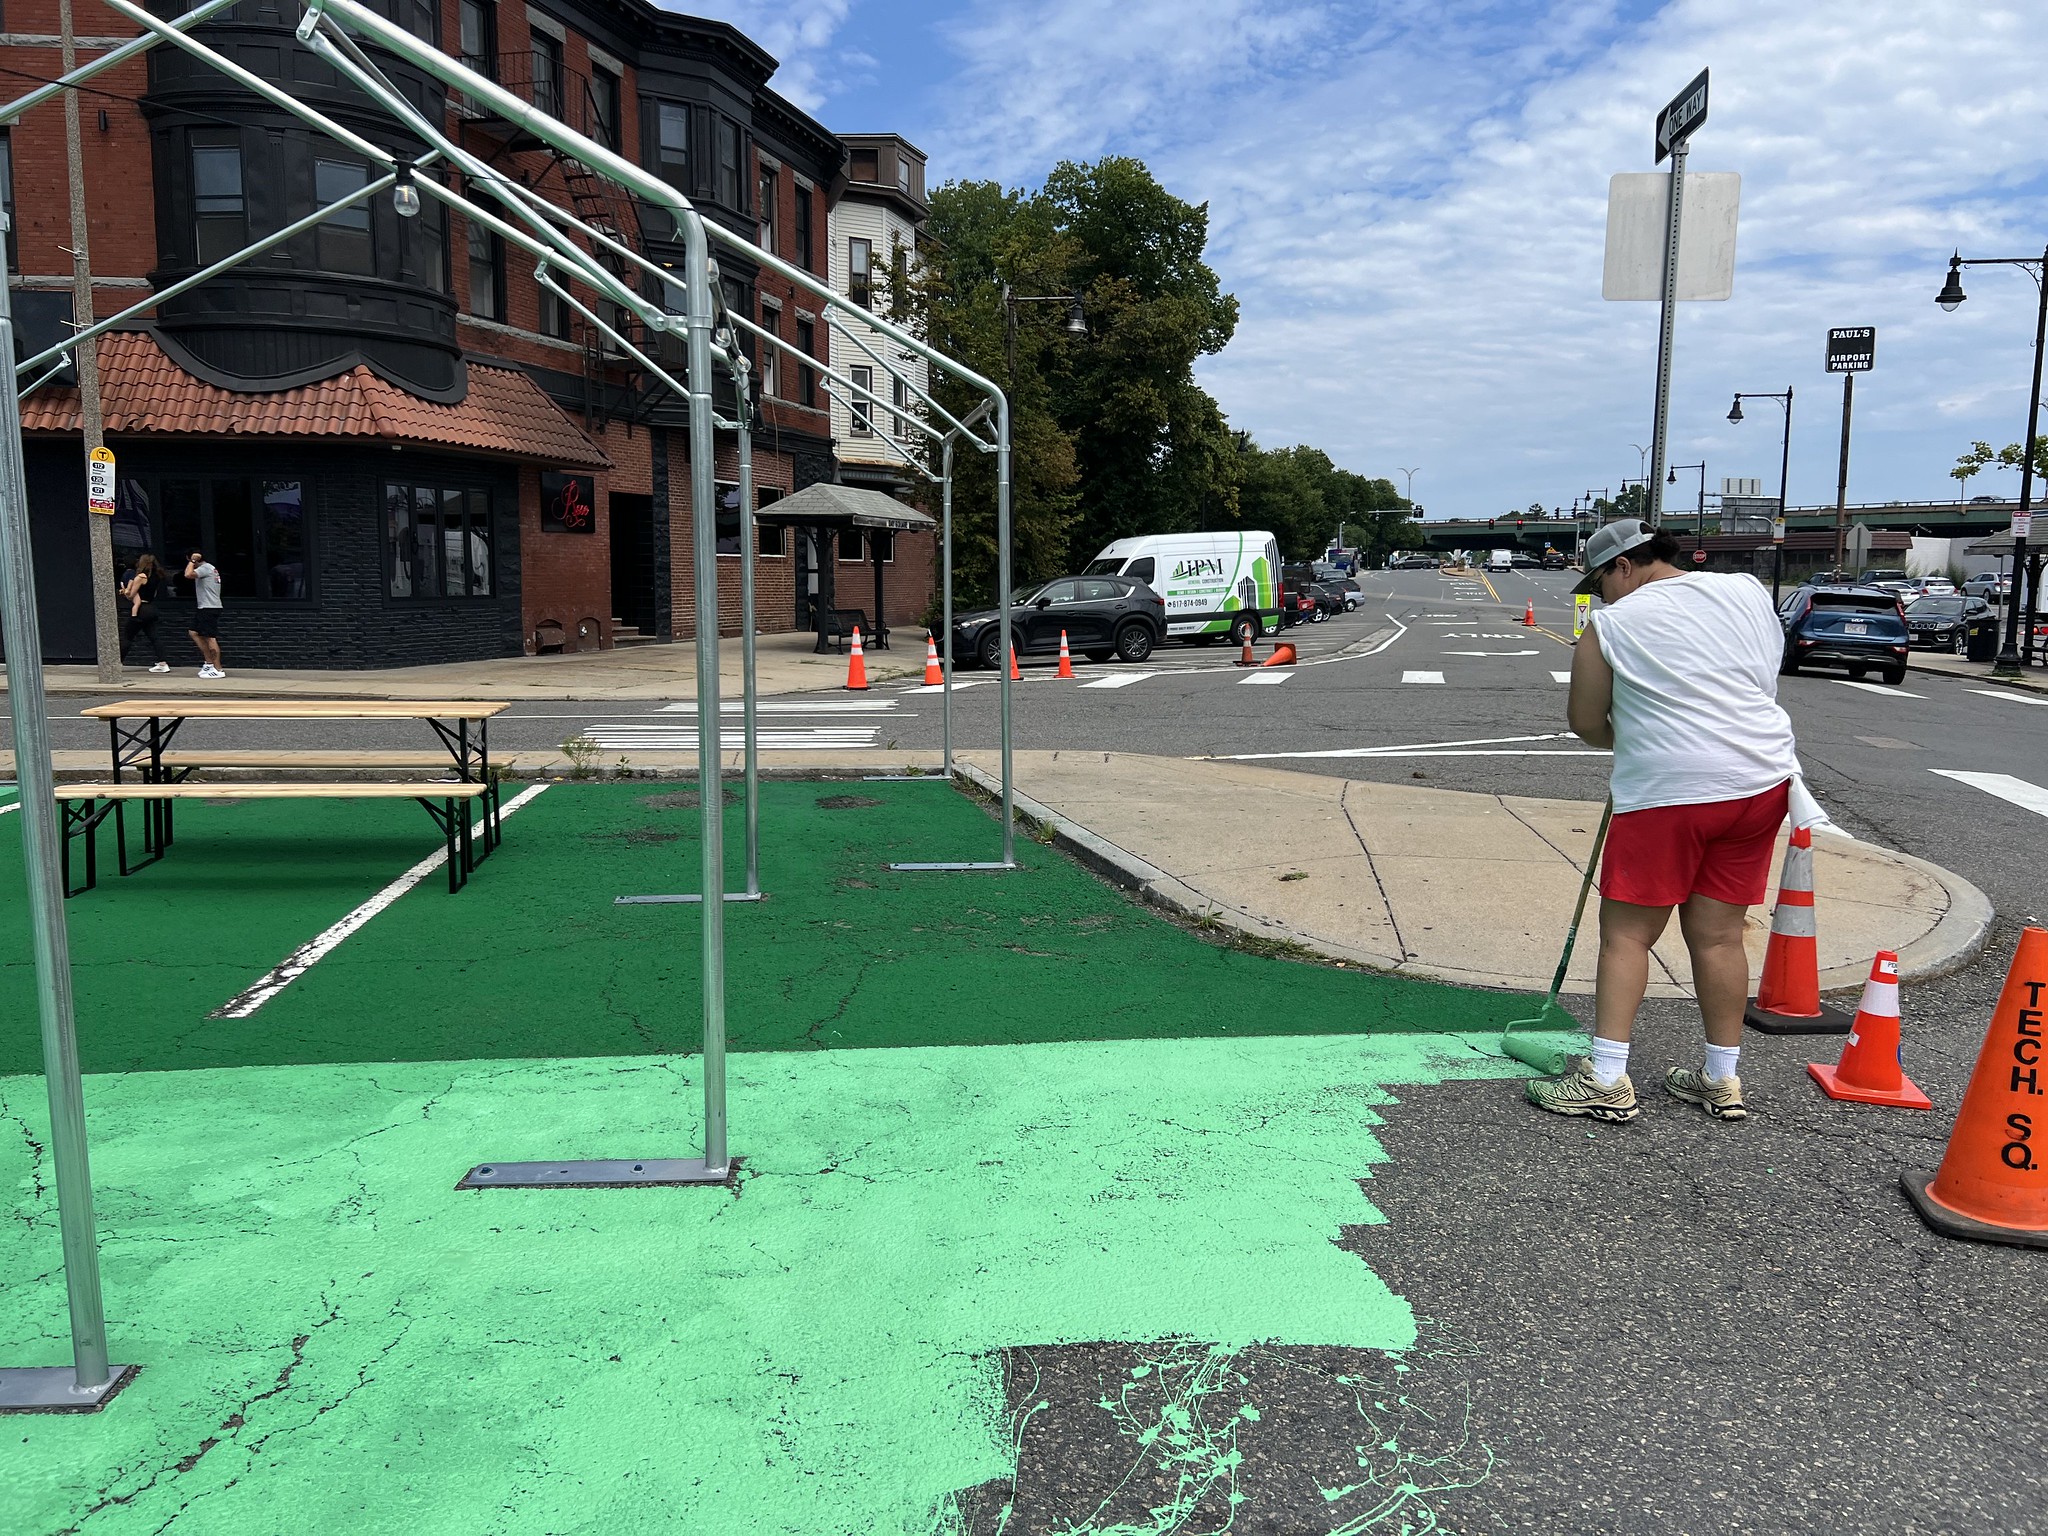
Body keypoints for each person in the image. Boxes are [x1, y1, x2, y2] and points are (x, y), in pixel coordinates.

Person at [1527, 520, 1800, 1125]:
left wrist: (1632, 736)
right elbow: (1758, 676)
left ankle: (1605, 1077)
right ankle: (1721, 1078)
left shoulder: (1613, 626)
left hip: (1670, 791)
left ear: (1623, 565)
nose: (1599, 597)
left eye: (1599, 583)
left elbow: (1586, 722)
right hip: (1761, 781)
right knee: (1721, 935)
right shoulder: (1747, 591)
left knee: (1627, 933)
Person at [119, 553, 171, 672]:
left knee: (128, 636)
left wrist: (124, 592)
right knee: (154, 637)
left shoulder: (141, 577)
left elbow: (131, 594)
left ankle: (117, 663)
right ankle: (163, 663)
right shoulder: (156, 576)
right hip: (151, 608)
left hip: (141, 609)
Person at [184, 549, 226, 678]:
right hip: (204, 607)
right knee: (194, 632)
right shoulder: (208, 568)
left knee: (209, 637)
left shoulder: (205, 568)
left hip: (209, 607)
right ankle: (209, 663)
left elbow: (188, 575)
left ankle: (218, 669)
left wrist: (192, 560)